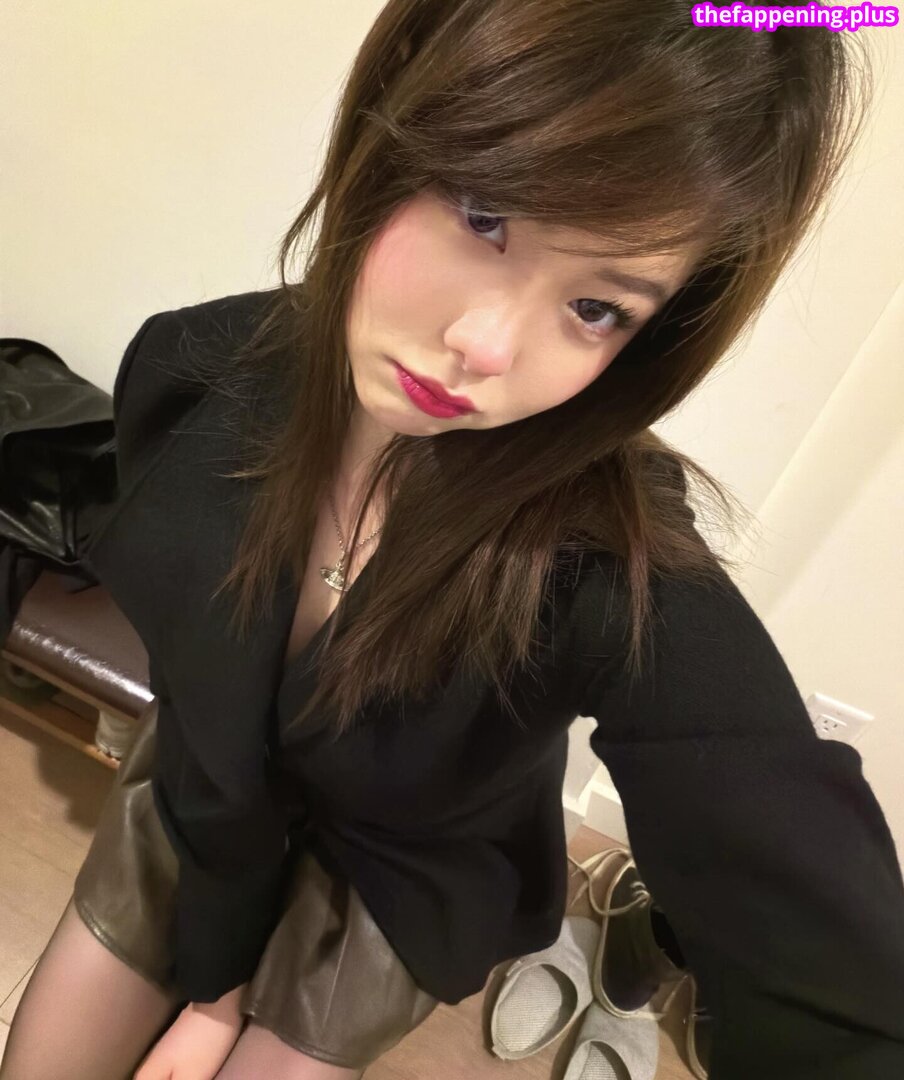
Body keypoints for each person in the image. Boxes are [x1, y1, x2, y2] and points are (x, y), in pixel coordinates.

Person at [4, 2, 904, 1079]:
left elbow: (823, 962)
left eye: (596, 307)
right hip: (212, 793)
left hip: (399, 871)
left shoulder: (609, 569)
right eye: (484, 214)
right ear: (392, 123)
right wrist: (212, 989)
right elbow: (205, 708)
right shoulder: (196, 379)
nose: (483, 345)